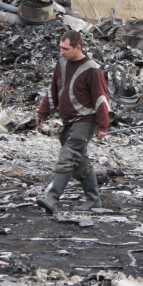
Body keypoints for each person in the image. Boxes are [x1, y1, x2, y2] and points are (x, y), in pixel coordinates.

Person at [35, 30, 110, 213]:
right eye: (60, 48)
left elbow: (101, 98)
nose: (61, 52)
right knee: (79, 160)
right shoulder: (61, 64)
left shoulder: (92, 69)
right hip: (68, 122)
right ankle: (93, 200)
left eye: (65, 49)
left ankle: (52, 199)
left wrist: (103, 125)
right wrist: (43, 112)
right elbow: (54, 90)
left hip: (86, 121)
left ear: (78, 47)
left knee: (67, 157)